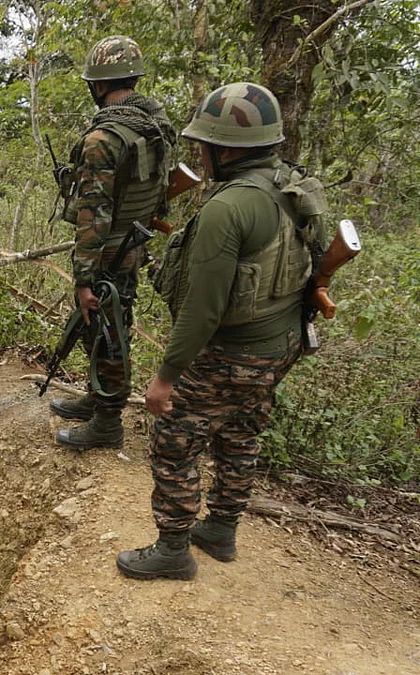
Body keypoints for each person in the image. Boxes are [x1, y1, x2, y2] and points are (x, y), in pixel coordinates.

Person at [116, 83, 318, 580]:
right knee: (239, 433)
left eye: (202, 145)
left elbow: (202, 310)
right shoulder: (291, 186)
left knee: (175, 440)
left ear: (225, 148)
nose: (198, 155)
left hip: (231, 351)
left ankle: (172, 549)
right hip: (281, 344)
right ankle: (221, 529)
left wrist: (165, 378)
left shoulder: (227, 209)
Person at [49, 35, 177, 450]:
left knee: (107, 331)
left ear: (98, 84)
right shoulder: (154, 125)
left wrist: (84, 277)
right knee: (104, 328)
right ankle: (96, 397)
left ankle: (107, 422)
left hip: (108, 250)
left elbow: (94, 211)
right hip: (132, 242)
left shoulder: (103, 139)